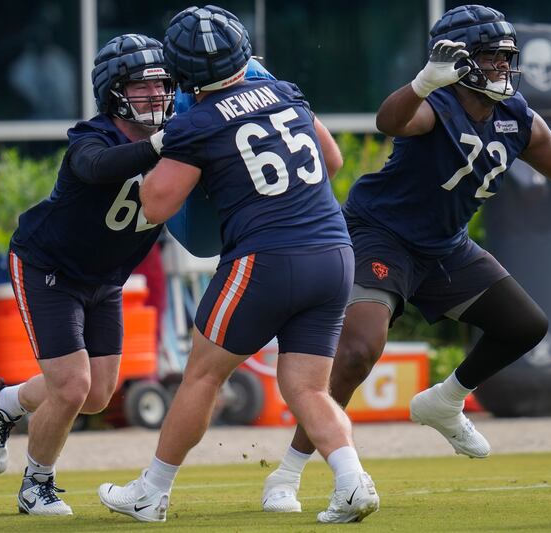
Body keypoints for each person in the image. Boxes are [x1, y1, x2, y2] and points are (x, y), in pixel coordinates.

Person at [261, 4, 551, 514]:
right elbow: (389, 119)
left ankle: (444, 400)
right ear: (459, 62)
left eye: (507, 58)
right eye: (491, 58)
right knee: (356, 353)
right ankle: (287, 475)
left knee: (525, 325)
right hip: (381, 236)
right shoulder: (433, 104)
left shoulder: (515, 116)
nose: (503, 68)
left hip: (445, 245)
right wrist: (421, 83)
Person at [98, 5, 380, 524]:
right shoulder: (287, 92)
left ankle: (152, 491)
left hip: (266, 259)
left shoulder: (197, 121)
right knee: (308, 388)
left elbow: (158, 204)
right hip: (335, 254)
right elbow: (332, 161)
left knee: (202, 376)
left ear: (180, 70)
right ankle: (351, 480)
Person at [0, 33, 175, 515]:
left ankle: (1, 404)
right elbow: (99, 166)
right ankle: (35, 485)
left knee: (98, 393)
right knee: (70, 385)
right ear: (114, 91)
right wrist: (165, 143)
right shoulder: (92, 135)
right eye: (143, 87)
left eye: (163, 85)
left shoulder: (175, 139)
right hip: (48, 266)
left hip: (105, 279)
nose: (157, 95)